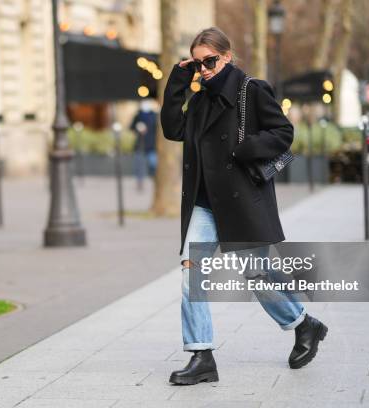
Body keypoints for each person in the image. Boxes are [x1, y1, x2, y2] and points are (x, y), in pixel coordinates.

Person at [160, 27, 328, 385]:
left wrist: (243, 150)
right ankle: (201, 355)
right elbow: (172, 129)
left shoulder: (252, 90)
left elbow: (283, 133)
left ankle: (304, 324)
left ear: (227, 57)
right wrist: (178, 78)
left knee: (258, 275)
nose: (204, 69)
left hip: (240, 202)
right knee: (193, 275)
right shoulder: (200, 99)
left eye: (210, 61)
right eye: (198, 63)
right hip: (204, 204)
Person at [130, 99, 158, 188]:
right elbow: (131, 127)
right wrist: (137, 127)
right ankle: (140, 182)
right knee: (139, 166)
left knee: (153, 164)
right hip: (140, 145)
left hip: (151, 145)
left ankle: (155, 181)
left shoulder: (154, 116)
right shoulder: (138, 115)